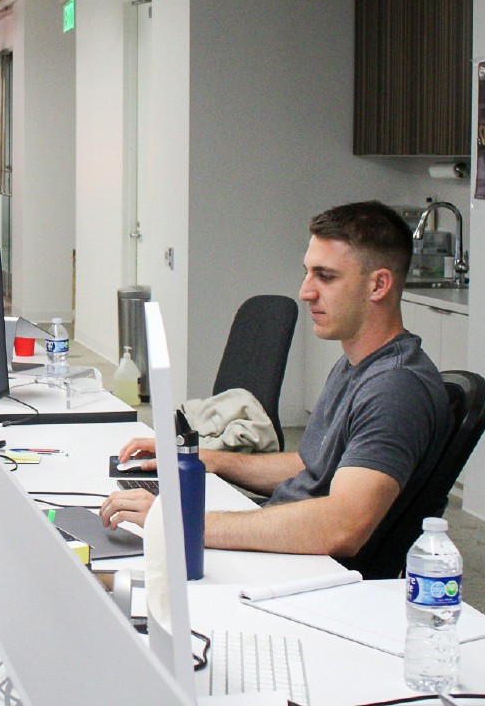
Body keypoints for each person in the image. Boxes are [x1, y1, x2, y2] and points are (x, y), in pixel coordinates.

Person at [100, 200, 452, 561]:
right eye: (307, 273)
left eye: (325, 276)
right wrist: (206, 459)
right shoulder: (357, 364)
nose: (306, 291)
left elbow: (343, 526)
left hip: (304, 569)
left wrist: (180, 523)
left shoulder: (394, 388)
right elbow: (310, 465)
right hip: (286, 545)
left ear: (378, 285)